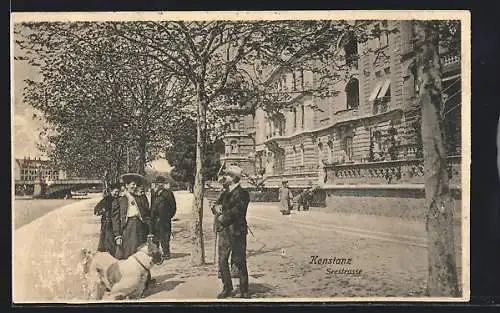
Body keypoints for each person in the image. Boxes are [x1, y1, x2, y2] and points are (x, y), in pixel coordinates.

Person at [214, 165, 250, 299]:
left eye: (228, 175)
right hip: (224, 232)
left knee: (239, 260)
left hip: (237, 231)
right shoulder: (225, 193)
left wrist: (223, 217)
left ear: (234, 178)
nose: (225, 177)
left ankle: (244, 290)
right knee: (222, 261)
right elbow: (216, 205)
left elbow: (238, 211)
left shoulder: (242, 193)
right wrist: (216, 208)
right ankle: (227, 288)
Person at [111, 173, 154, 260]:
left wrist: (150, 231)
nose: (134, 186)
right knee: (128, 254)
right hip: (127, 229)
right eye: (132, 184)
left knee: (141, 254)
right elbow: (115, 219)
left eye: (135, 184)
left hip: (140, 228)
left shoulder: (139, 198)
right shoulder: (120, 199)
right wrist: (117, 235)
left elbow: (146, 215)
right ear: (127, 185)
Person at [151, 176, 177, 260]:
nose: (159, 185)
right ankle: (156, 254)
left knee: (165, 237)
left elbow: (173, 206)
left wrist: (169, 216)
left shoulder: (168, 193)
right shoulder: (153, 193)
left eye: (161, 183)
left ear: (164, 183)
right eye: (158, 183)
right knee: (155, 237)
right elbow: (152, 206)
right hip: (155, 219)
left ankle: (166, 253)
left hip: (165, 219)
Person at [94, 184, 121, 255]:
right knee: (107, 242)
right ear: (111, 191)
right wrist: (102, 211)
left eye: (118, 192)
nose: (116, 193)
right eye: (115, 192)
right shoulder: (106, 199)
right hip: (107, 224)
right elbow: (96, 210)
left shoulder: (119, 200)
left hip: (116, 224)